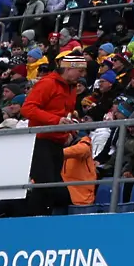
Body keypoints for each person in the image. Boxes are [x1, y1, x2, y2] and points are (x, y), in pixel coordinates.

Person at [20, 50, 87, 216]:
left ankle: (34, 221)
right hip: (40, 141)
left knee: (46, 189)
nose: (82, 75)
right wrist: (56, 121)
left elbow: (66, 114)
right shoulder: (47, 84)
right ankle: (33, 221)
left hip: (57, 142)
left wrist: (70, 129)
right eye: (80, 70)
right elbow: (28, 108)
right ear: (69, 68)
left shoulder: (71, 88)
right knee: (48, 187)